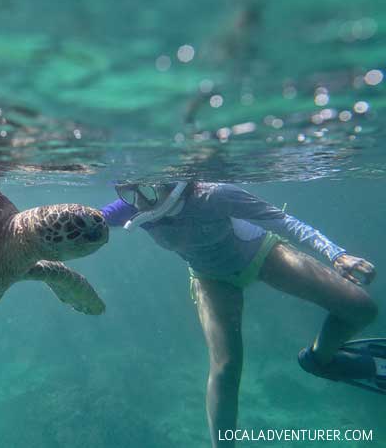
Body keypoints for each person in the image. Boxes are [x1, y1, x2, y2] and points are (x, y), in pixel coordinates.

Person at [100, 181, 380, 447]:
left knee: (361, 308)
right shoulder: (136, 205)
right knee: (225, 367)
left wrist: (336, 254)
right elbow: (90, 220)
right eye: (127, 191)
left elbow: (282, 221)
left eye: (145, 189)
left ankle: (318, 359)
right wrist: (59, 243)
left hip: (262, 253)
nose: (138, 200)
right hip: (210, 277)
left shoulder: (213, 195)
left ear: (170, 180)